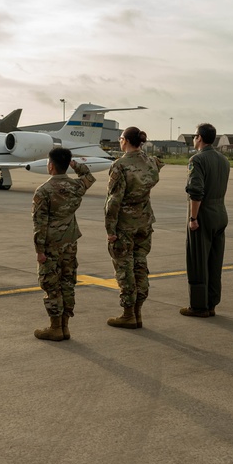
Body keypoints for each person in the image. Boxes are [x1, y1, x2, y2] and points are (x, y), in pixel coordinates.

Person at [32, 147, 95, 340]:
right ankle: (65, 326)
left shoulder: (43, 191)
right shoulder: (76, 187)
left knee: (51, 284)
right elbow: (89, 176)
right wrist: (75, 164)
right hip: (70, 242)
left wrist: (39, 250)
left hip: (50, 244)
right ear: (67, 164)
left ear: (50, 165)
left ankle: (55, 327)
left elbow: (39, 224)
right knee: (67, 282)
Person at [104, 127, 164, 329]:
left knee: (124, 267)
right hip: (145, 221)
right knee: (140, 265)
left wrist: (110, 229)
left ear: (126, 141)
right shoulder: (150, 161)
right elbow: (156, 168)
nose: (120, 142)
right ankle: (138, 312)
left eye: (120, 139)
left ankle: (128, 313)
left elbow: (114, 201)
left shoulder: (120, 165)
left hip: (125, 224)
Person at [181, 123, 230, 317]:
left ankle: (199, 306)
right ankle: (211, 303)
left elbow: (196, 191)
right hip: (220, 213)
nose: (194, 139)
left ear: (200, 138)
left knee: (198, 261)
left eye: (195, 136)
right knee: (215, 262)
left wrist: (193, 217)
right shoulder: (223, 160)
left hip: (204, 215)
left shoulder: (197, 160)